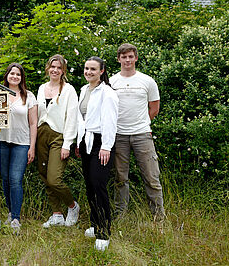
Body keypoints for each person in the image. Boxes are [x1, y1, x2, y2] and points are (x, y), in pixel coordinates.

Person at [110, 43, 165, 220]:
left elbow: (154, 108)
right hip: (118, 136)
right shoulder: (111, 82)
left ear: (136, 58)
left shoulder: (147, 81)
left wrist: (141, 124)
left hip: (142, 135)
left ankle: (158, 215)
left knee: (151, 176)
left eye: (130, 56)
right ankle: (120, 215)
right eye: (124, 57)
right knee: (120, 178)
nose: (127, 60)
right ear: (118, 59)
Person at [76, 57, 118, 251]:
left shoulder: (107, 93)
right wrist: (78, 142)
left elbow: (110, 121)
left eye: (93, 69)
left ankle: (104, 232)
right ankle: (94, 223)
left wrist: (106, 146)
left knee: (99, 184)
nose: (89, 72)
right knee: (90, 185)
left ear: (102, 71)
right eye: (86, 68)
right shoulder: (84, 90)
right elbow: (81, 119)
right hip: (86, 141)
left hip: (101, 142)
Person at [36, 54, 80, 228]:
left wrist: (68, 143)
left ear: (63, 71)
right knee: (44, 175)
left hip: (58, 136)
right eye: (52, 66)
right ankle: (57, 214)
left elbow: (72, 118)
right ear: (48, 68)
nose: (55, 70)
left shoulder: (69, 90)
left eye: (59, 68)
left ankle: (72, 206)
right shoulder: (41, 88)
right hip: (41, 134)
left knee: (54, 178)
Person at [0, 63, 38, 232]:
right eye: (12, 73)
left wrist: (32, 147)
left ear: (22, 78)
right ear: (7, 75)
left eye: (18, 74)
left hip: (22, 143)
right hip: (1, 141)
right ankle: (9, 212)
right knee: (5, 179)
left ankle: (16, 217)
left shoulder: (28, 96)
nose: (15, 76)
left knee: (16, 179)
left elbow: (33, 122)